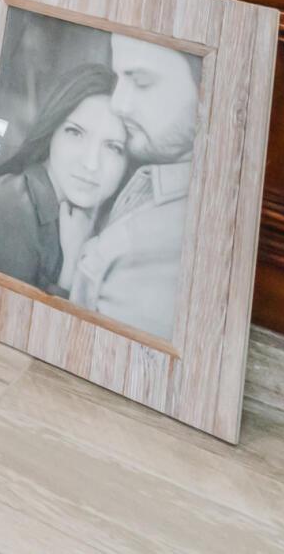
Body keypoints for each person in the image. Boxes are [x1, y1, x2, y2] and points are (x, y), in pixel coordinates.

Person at [69, 33, 202, 342]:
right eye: (119, 79)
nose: (118, 104)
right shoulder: (139, 176)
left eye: (141, 82)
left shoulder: (155, 247)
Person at [0, 64, 132, 296]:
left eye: (113, 147)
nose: (91, 164)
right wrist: (71, 268)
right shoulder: (10, 206)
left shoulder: (100, 222)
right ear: (52, 130)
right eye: (75, 133)